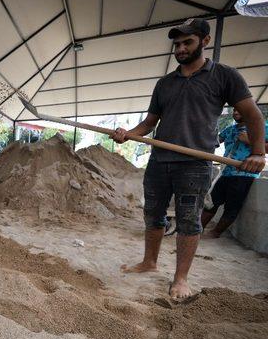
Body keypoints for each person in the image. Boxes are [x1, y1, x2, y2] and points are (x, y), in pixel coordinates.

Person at [113, 18, 266, 300]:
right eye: (177, 44)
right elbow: (149, 122)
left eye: (187, 42)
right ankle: (150, 262)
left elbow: (254, 115)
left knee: (188, 220)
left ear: (205, 41)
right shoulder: (165, 83)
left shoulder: (225, 76)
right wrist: (128, 134)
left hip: (195, 164)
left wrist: (258, 153)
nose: (181, 48)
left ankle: (180, 279)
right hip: (160, 161)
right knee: (153, 213)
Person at [201, 108, 268, 238]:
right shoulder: (230, 129)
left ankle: (215, 233)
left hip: (245, 174)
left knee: (232, 207)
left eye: (240, 110)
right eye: (234, 110)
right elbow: (211, 142)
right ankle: (198, 230)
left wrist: (249, 140)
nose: (236, 112)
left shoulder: (262, 128)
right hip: (226, 172)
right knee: (211, 203)